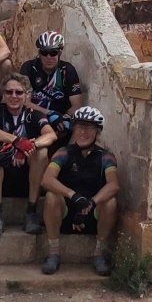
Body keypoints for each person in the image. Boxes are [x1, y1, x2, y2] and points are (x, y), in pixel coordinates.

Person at [39, 104, 118, 276]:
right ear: (74, 129)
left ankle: (99, 253)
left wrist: (91, 202)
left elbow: (113, 185)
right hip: (66, 210)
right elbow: (47, 179)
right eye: (80, 127)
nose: (83, 132)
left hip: (92, 213)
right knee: (52, 196)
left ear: (97, 131)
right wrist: (73, 196)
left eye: (89, 127)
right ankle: (53, 253)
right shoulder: (63, 152)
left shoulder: (106, 156)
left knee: (111, 202)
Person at [0, 71, 57, 237]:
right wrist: (17, 142)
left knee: (42, 152)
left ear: (26, 95)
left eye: (19, 92)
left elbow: (51, 135)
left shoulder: (33, 115)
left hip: (26, 179)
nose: (14, 96)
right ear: (3, 94)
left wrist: (28, 146)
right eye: (9, 92)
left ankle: (31, 212)